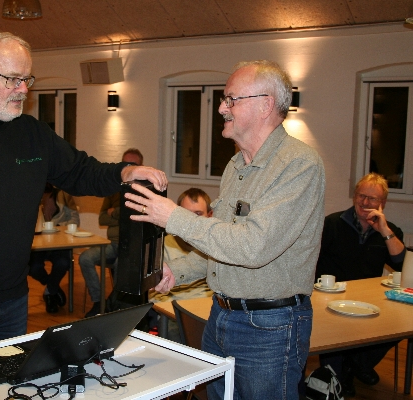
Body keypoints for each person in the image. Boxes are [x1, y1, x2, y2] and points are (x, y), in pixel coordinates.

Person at [0, 33, 167, 368]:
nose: (23, 90)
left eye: (27, 79)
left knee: (6, 388)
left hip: (12, 302)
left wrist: (125, 172)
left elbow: (81, 171)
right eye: (12, 79)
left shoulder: (32, 134)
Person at [123, 60, 326, 400]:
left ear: (265, 104)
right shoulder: (236, 166)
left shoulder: (298, 165)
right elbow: (225, 242)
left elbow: (253, 247)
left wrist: (172, 216)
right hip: (220, 317)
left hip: (270, 327)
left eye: (231, 99)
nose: (221, 108)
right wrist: (180, 271)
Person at [315, 172, 405, 397]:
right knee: (333, 332)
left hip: (370, 300)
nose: (365, 203)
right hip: (330, 299)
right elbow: (312, 260)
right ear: (354, 197)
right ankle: (343, 372)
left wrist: (383, 231)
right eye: (361, 196)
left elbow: (401, 264)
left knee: (399, 324)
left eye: (372, 199)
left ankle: (355, 366)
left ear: (382, 203)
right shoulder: (333, 223)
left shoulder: (389, 230)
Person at [79, 148, 143, 318]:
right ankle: (100, 302)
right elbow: (102, 219)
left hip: (130, 247)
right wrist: (121, 213)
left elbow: (136, 219)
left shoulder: (144, 192)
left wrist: (114, 212)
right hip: (112, 244)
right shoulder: (113, 190)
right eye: (125, 164)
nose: (128, 167)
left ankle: (114, 304)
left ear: (140, 166)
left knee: (118, 266)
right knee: (84, 258)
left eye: (133, 164)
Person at [150, 187, 213, 303]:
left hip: (208, 308)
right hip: (175, 311)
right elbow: (154, 293)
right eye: (185, 214)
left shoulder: (214, 246)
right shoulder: (163, 246)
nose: (191, 219)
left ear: (210, 215)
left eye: (198, 214)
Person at [29, 183, 79, 313]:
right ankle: (53, 288)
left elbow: (75, 220)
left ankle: (49, 294)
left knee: (63, 263)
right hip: (39, 244)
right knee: (33, 267)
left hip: (59, 242)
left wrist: (59, 229)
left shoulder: (64, 195)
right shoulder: (31, 195)